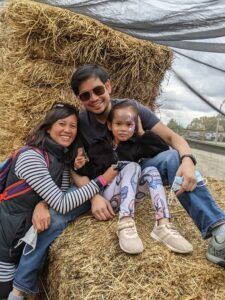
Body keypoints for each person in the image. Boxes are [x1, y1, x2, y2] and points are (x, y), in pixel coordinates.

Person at [9, 64, 225, 298]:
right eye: (85, 95)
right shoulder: (79, 123)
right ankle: (20, 288)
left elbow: (173, 138)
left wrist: (188, 159)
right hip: (100, 184)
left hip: (138, 172)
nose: (94, 98)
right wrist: (92, 198)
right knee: (51, 221)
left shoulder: (133, 109)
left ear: (108, 86)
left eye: (98, 90)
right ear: (79, 98)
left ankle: (219, 230)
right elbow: (72, 167)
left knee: (172, 157)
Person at [0, 103, 118, 300]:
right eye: (62, 124)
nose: (68, 130)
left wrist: (43, 204)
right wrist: (103, 180)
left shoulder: (60, 159)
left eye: (73, 126)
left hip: (21, 238)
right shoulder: (31, 157)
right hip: (5, 242)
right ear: (48, 127)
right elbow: (62, 203)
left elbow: (58, 194)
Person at [77, 101, 193, 254]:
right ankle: (125, 223)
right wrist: (81, 166)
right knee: (133, 166)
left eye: (129, 124)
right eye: (119, 124)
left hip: (130, 199)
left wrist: (141, 133)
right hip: (107, 198)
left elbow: (163, 148)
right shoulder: (99, 146)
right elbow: (92, 171)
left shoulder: (136, 144)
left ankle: (162, 224)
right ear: (110, 126)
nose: (124, 129)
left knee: (150, 169)